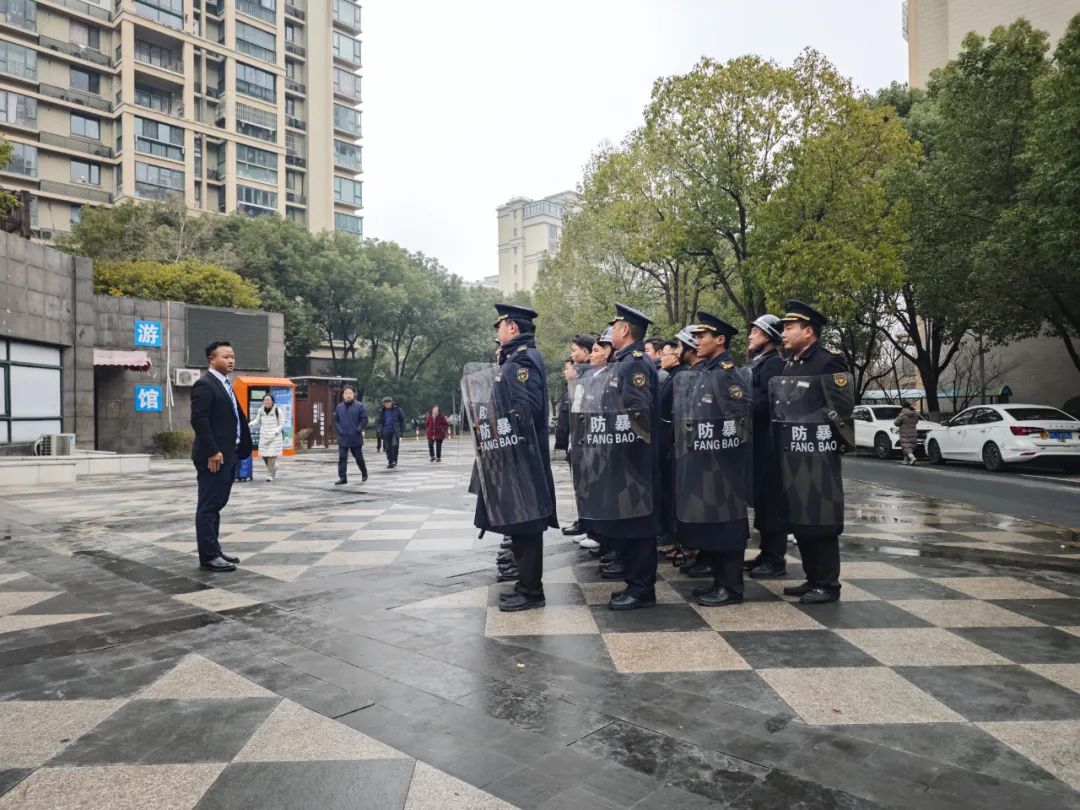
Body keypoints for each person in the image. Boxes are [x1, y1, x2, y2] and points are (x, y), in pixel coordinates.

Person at [472, 303, 558, 612]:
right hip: (514, 453)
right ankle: (526, 585)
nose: (497, 331)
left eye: (500, 326)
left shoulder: (522, 362)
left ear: (512, 328)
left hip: (520, 454)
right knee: (521, 524)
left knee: (528, 524)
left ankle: (531, 590)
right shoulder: (516, 359)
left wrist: (502, 431)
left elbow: (526, 411)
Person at [775, 299, 853, 605]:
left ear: (809, 331)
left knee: (821, 518)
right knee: (802, 515)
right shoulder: (790, 363)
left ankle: (828, 583)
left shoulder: (828, 361)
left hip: (819, 452)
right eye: (783, 327)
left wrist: (812, 423)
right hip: (794, 452)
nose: (784, 332)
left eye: (789, 327)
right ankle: (811, 577)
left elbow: (842, 407)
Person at [588, 303, 662, 610]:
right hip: (625, 458)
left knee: (640, 525)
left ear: (625, 330)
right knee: (630, 524)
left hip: (635, 459)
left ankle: (642, 588)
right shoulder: (624, 362)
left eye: (615, 326)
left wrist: (622, 448)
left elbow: (637, 413)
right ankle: (635, 582)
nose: (612, 331)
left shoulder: (633, 363)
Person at [677, 313, 752, 606]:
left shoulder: (727, 373)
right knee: (714, 525)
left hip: (724, 464)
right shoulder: (706, 372)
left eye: (703, 336)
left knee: (728, 526)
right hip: (705, 461)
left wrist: (724, 445)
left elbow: (741, 417)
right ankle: (719, 581)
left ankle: (732, 588)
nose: (697, 341)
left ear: (720, 340)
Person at [190, 341, 253, 572]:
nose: (231, 360)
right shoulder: (205, 385)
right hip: (213, 457)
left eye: (233, 356)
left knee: (217, 504)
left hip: (228, 454)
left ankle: (214, 549)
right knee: (208, 506)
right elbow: (200, 420)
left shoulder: (225, 384)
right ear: (211, 360)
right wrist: (212, 450)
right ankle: (208, 556)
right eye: (226, 356)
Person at [744, 314, 790, 579]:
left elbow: (766, 403)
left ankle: (775, 558)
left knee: (772, 502)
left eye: (756, 331)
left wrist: (739, 405)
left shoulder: (773, 364)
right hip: (757, 443)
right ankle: (765, 551)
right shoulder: (758, 363)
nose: (750, 335)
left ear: (768, 336)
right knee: (761, 501)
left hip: (769, 445)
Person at [334, 385, 369, 485]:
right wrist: (340, 431)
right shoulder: (339, 407)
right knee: (342, 458)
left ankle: (364, 472)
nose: (348, 395)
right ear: (343, 395)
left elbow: (364, 419)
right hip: (343, 437)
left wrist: (358, 429)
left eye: (350, 393)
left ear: (353, 395)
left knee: (358, 457)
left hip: (355, 437)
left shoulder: (359, 406)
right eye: (346, 393)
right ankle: (343, 477)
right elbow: (336, 421)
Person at [249, 393, 285, 482]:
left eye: (268, 399)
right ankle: (273, 467)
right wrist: (250, 424)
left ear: (272, 401)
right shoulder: (260, 410)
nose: (266, 401)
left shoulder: (278, 410)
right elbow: (257, 420)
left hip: (274, 437)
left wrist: (276, 432)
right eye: (265, 400)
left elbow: (282, 423)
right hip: (264, 436)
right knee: (264, 455)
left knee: (272, 455)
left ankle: (269, 475)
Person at [379, 396, 406, 468]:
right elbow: (379, 422)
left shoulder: (397, 409)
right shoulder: (382, 411)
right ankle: (390, 461)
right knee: (387, 448)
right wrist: (379, 429)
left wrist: (402, 430)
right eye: (385, 402)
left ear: (391, 402)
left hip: (395, 431)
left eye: (388, 402)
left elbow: (402, 420)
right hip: (386, 431)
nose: (387, 404)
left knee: (394, 446)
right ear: (383, 404)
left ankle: (394, 461)